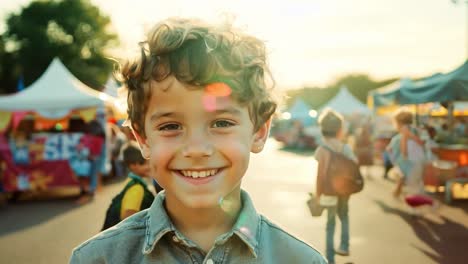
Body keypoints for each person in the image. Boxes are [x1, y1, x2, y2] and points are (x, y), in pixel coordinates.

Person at [70, 17, 326, 263]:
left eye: (221, 123)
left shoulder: (302, 260)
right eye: (171, 126)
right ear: (142, 138)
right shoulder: (98, 259)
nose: (196, 149)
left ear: (259, 131)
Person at [314, 109, 357, 264]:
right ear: (340, 129)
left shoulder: (323, 150)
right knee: (344, 216)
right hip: (344, 189)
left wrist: (317, 195)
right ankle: (344, 245)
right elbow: (354, 165)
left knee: (330, 223)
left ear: (322, 129)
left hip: (329, 191)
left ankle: (330, 259)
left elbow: (321, 175)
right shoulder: (346, 148)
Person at [101, 141, 154, 231]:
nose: (149, 166)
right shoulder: (137, 188)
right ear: (132, 165)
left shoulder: (130, 181)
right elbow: (129, 218)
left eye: (149, 162)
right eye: (143, 163)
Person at [386, 109, 426, 198]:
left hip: (409, 158)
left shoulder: (404, 129)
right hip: (417, 158)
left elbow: (403, 143)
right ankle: (402, 192)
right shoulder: (413, 129)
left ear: (398, 122)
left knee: (410, 181)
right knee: (413, 180)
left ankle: (415, 200)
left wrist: (404, 155)